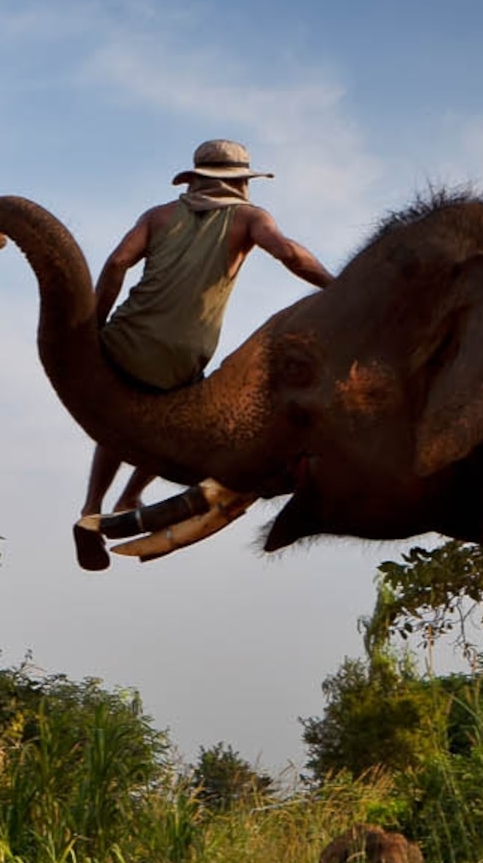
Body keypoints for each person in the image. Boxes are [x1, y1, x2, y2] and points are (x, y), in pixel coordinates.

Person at [76, 139, 333, 568]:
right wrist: (336, 287)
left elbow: (118, 262)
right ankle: (130, 496)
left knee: (118, 420)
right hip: (182, 357)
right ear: (241, 183)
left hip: (125, 339)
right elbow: (289, 253)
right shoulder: (249, 217)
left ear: (195, 178)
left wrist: (94, 323)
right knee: (173, 415)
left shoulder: (157, 216)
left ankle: (91, 508)